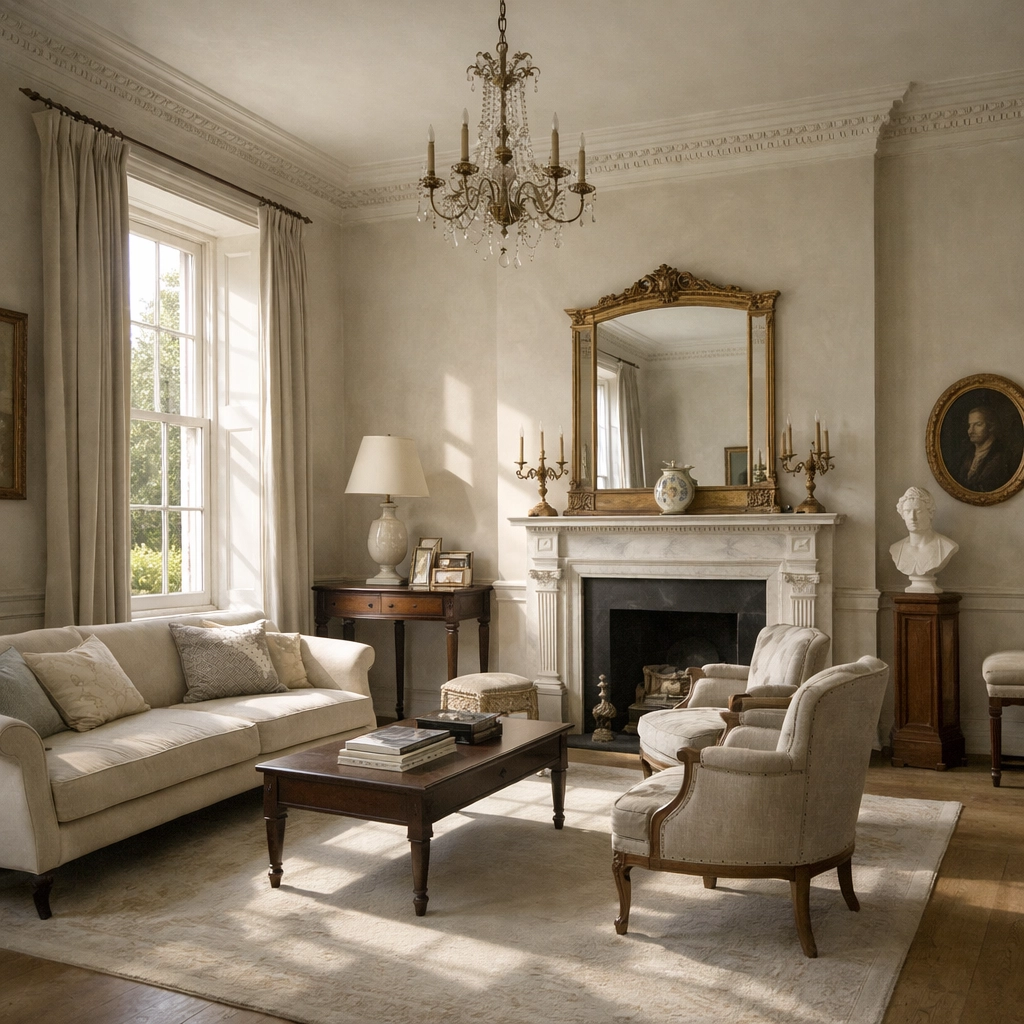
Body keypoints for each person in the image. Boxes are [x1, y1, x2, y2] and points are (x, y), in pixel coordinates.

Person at [889, 486, 958, 592]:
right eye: (907, 511)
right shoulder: (896, 549)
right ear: (902, 515)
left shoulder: (947, 546)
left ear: (930, 513)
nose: (912, 517)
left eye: (919, 511)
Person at [955, 405, 1016, 491]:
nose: (970, 431)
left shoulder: (1003, 456)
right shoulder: (966, 455)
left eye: (978, 425)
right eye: (970, 425)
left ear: (990, 426)